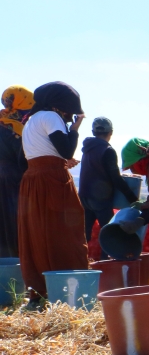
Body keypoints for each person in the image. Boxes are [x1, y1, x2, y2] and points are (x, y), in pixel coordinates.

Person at [18, 81, 88, 311]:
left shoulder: (31, 121)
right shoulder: (51, 117)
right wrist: (76, 127)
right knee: (65, 233)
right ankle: (73, 290)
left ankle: (39, 291)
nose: (69, 115)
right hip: (51, 181)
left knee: (38, 234)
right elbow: (66, 150)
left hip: (32, 180)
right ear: (60, 105)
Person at [78, 117, 138, 260]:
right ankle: (105, 264)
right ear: (111, 132)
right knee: (110, 233)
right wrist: (132, 198)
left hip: (84, 197)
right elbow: (115, 178)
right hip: (100, 199)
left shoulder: (88, 148)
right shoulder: (107, 150)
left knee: (84, 234)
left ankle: (78, 263)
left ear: (93, 131)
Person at [0, 86, 34, 258]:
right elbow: (23, 157)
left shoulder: (2, 121)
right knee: (15, 224)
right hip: (12, 180)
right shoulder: (15, 128)